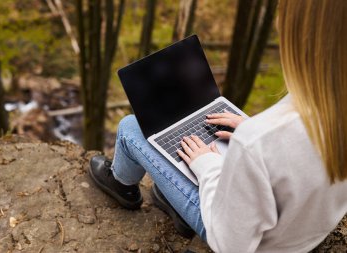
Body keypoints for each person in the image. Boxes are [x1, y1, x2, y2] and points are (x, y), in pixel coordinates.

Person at [88, 0, 347, 252]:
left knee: (131, 128)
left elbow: (230, 243)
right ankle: (176, 203)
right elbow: (295, 158)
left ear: (299, 36)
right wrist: (253, 130)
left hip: (248, 239)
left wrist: (207, 166)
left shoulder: (258, 140)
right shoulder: (320, 116)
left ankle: (122, 186)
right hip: (303, 238)